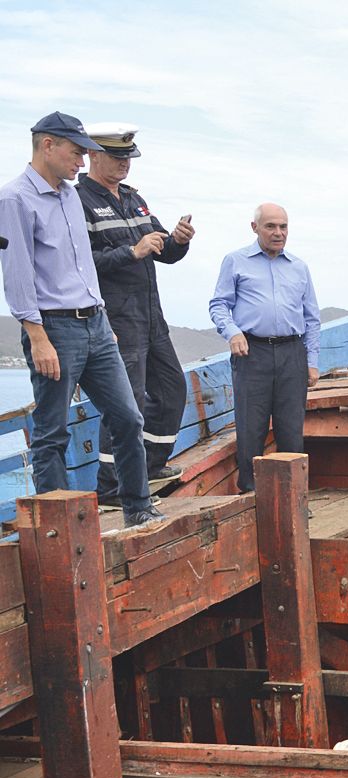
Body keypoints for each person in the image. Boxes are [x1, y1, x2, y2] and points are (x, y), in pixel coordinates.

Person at [0, 112, 160, 526]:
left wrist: (101, 317)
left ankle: (137, 508)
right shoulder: (14, 199)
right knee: (52, 433)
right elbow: (17, 275)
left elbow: (84, 263)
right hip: (53, 328)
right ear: (47, 144)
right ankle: (58, 528)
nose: (81, 162)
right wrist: (37, 337)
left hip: (96, 324)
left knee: (128, 417)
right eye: (76, 152)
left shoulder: (71, 196)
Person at [77, 123, 193, 498]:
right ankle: (111, 488)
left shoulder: (133, 199)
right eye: (116, 157)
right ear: (93, 155)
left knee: (173, 387)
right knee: (126, 401)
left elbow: (166, 254)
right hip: (117, 320)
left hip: (151, 316)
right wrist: (131, 252)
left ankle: (151, 464)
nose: (124, 164)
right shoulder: (78, 201)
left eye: (128, 157)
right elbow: (79, 264)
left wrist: (178, 241)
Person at [208, 203, 321, 493]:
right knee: (251, 428)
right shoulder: (235, 261)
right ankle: (250, 494)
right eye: (271, 226)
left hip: (292, 353)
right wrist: (232, 332)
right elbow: (219, 305)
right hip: (251, 352)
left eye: (283, 227)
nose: (278, 233)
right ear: (255, 227)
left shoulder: (299, 267)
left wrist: (312, 361)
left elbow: (312, 318)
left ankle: (294, 497)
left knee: (291, 431)